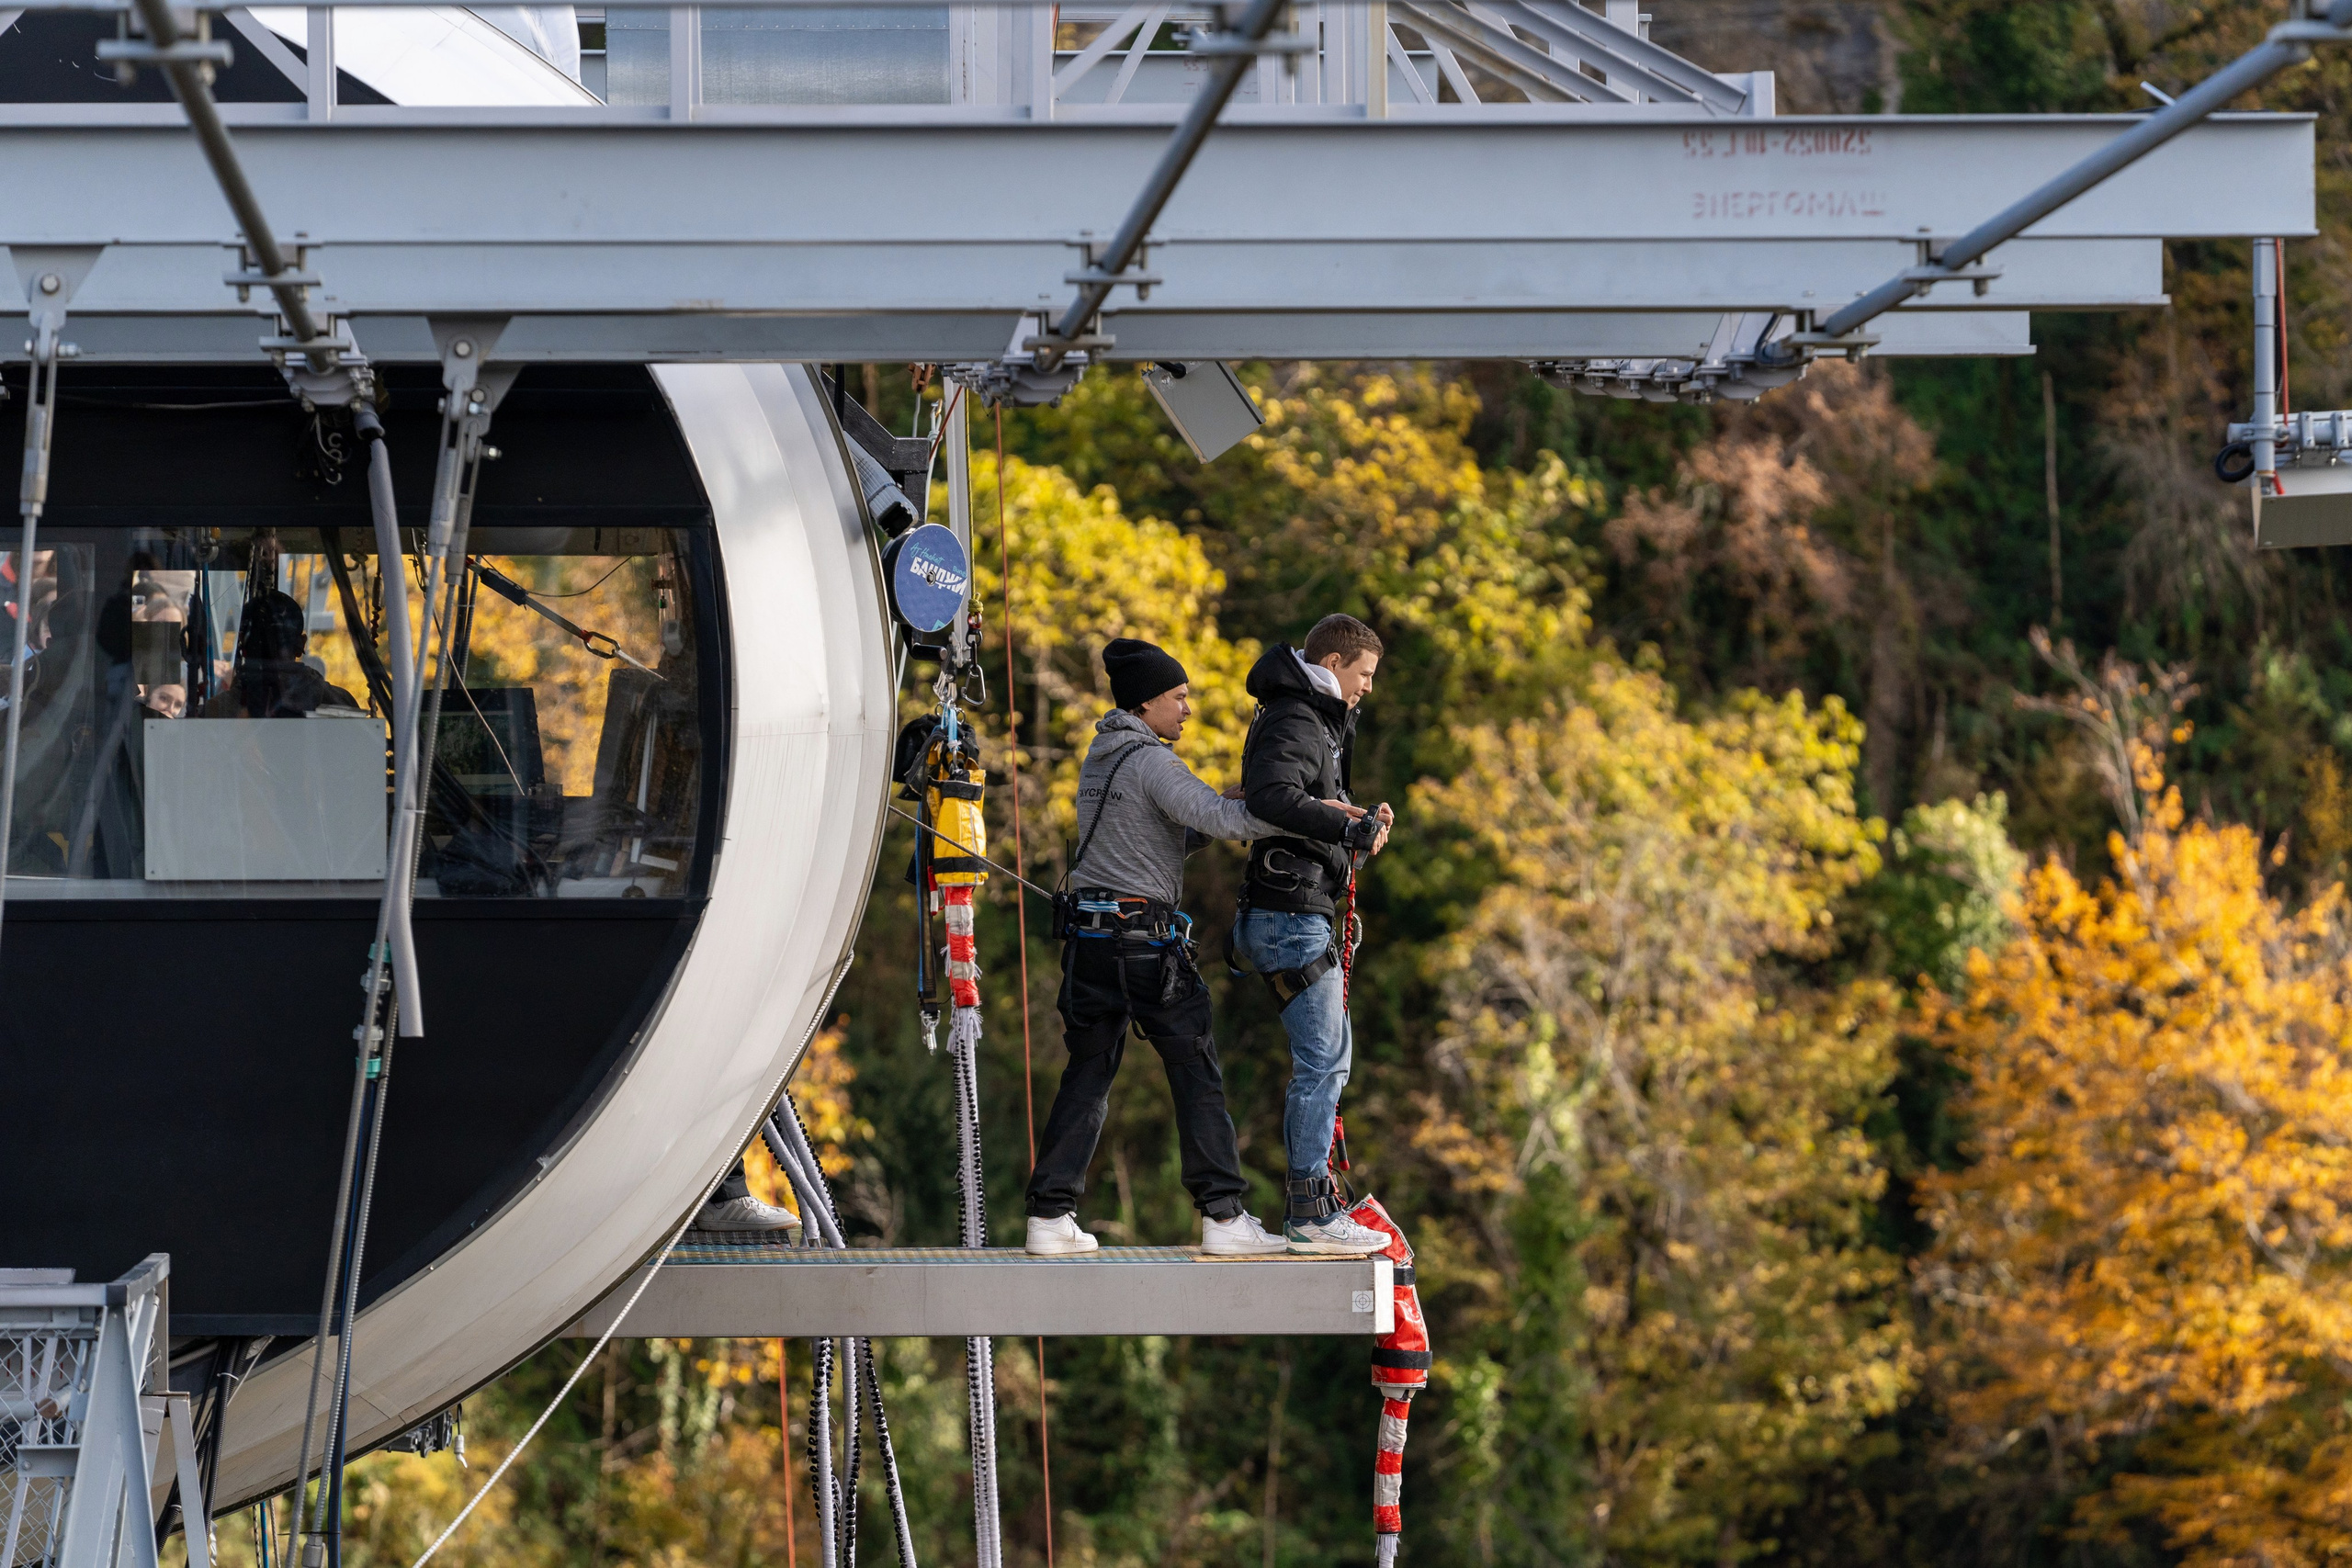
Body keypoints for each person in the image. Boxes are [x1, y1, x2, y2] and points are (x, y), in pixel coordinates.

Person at [1024, 637, 1294, 1257]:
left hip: (1089, 947)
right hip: (1144, 947)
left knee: (1088, 1075)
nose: (1187, 709)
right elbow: (1228, 824)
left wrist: (1217, 806)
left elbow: (1150, 839)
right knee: (1195, 1070)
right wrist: (1294, 810)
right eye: (1179, 697)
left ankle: (1050, 1214)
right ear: (1146, 703)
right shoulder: (1151, 762)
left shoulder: (1102, 757)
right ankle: (1225, 1217)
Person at [1231, 613, 1394, 1254]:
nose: (1369, 688)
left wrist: (1353, 816)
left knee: (1332, 1061)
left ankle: (1314, 1204)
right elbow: (1269, 797)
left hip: (1300, 911)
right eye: (1365, 674)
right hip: (1288, 914)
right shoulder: (1297, 717)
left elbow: (1304, 800)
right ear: (1333, 664)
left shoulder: (1311, 718)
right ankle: (1309, 1211)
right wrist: (1343, 830)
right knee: (1322, 1063)